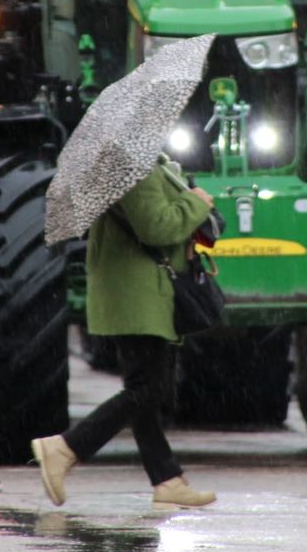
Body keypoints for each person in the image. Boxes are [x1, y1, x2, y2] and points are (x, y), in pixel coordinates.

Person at [30, 153, 217, 509]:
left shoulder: (144, 164)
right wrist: (195, 203)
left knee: (146, 391)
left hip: (141, 292)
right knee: (149, 389)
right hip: (138, 295)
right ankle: (65, 447)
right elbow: (156, 227)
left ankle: (167, 479)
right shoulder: (134, 168)